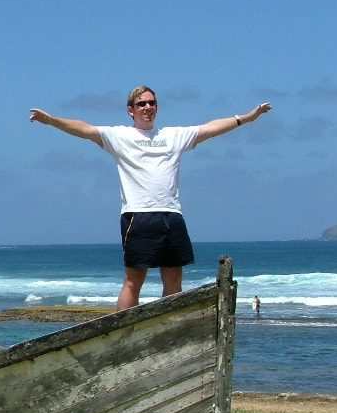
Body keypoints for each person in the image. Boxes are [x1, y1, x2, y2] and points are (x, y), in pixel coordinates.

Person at [29, 86, 272, 310]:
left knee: (174, 278)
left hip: (172, 215)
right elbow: (84, 129)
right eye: (141, 103)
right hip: (138, 215)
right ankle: (123, 333)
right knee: (134, 281)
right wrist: (51, 120)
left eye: (151, 103)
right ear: (131, 110)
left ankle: (168, 329)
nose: (147, 107)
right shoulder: (119, 136)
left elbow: (210, 128)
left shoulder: (174, 136)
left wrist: (246, 118)